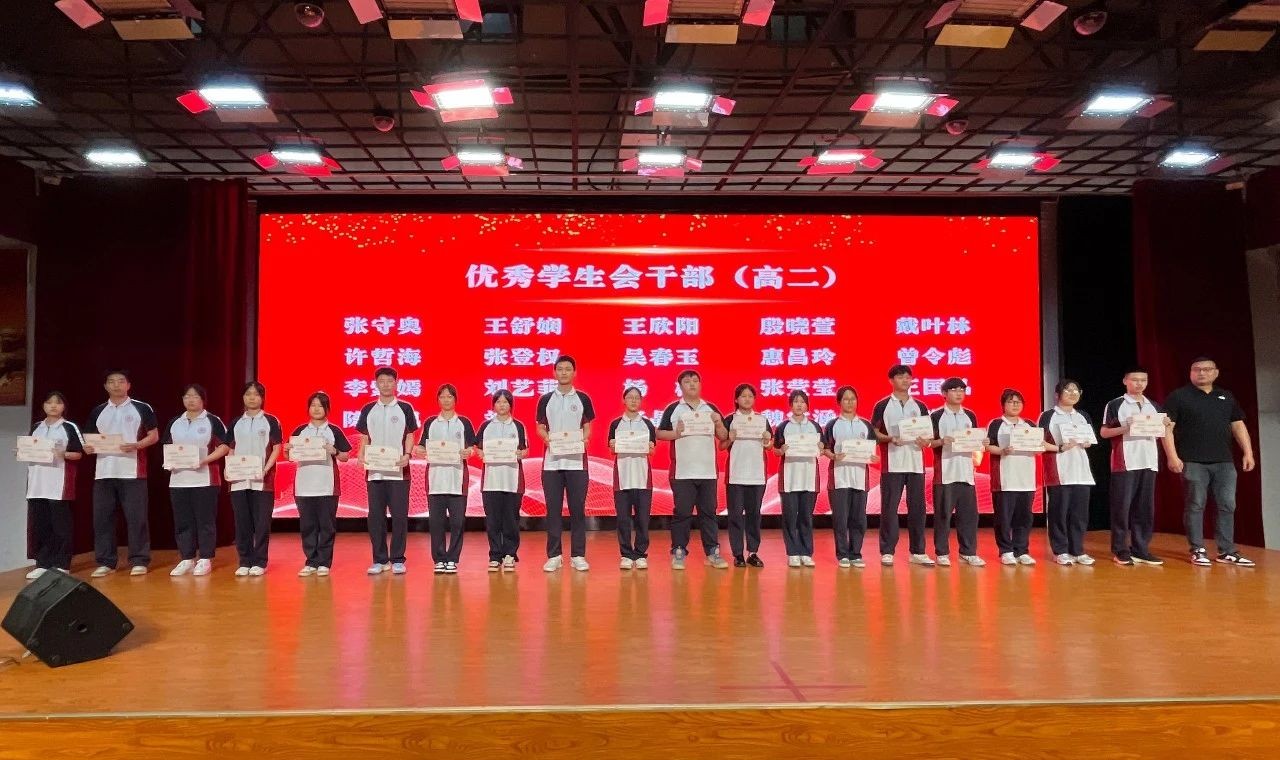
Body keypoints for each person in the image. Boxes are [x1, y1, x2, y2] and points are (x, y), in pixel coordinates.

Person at [1162, 357, 1256, 567]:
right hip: (1193, 461)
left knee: (1227, 505)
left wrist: (1248, 452)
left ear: (1216, 372)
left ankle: (1227, 551)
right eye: (1196, 369)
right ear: (1190, 373)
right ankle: (1197, 549)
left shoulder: (1226, 396)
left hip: (1224, 461)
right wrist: (1172, 456)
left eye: (1206, 369)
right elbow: (1166, 428)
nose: (1201, 373)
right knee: (1196, 505)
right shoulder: (1179, 396)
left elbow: (1238, 425)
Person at [83, 369, 159, 578]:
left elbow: (154, 435)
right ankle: (106, 561)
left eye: (120, 381)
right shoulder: (98, 411)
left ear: (128, 385)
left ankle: (139, 560)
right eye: (111, 382)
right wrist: (88, 447)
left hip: (132, 470)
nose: (116, 385)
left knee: (136, 517)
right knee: (102, 518)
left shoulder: (141, 408)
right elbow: (89, 438)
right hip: (104, 472)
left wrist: (136, 445)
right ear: (105, 386)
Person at [657, 370, 730, 570]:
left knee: (709, 513)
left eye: (695, 381)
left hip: (707, 472)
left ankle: (712, 552)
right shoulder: (673, 409)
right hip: (682, 472)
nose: (692, 384)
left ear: (700, 384)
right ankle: (679, 551)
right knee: (682, 513)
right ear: (680, 386)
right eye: (687, 381)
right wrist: (676, 433)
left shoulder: (710, 408)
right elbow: (659, 434)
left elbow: (724, 436)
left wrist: (718, 422)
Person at [1100, 367, 1171, 566]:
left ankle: (1140, 549)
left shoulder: (1153, 406)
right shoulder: (1116, 404)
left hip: (1148, 461)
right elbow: (1104, 432)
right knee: (1121, 508)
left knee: (1145, 508)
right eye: (1134, 379)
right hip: (1125, 461)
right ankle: (1120, 550)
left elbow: (1163, 432)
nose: (1139, 384)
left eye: (1143, 380)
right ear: (1125, 381)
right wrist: (1126, 428)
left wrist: (1166, 424)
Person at [355, 366, 419, 576]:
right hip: (375, 472)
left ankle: (398, 559)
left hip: (399, 471)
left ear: (396, 383)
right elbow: (364, 437)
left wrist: (407, 455)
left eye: (389, 381)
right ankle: (380, 559)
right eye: (381, 381)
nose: (385, 385)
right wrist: (361, 455)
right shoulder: (368, 409)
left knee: (399, 516)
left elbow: (410, 435)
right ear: (376, 384)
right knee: (376, 517)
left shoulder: (405, 408)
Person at [161, 384, 230, 577]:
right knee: (182, 521)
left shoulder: (212, 420)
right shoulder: (175, 422)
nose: (190, 400)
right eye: (186, 396)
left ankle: (205, 558)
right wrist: (169, 462)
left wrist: (204, 460)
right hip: (178, 480)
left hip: (205, 479)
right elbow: (167, 446)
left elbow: (225, 446)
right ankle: (186, 558)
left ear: (202, 399)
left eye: (195, 396)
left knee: (205, 520)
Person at [535, 355, 596, 572]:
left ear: (574, 373)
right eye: (560, 369)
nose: (563, 372)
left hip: (576, 462)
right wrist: (546, 438)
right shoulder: (545, 399)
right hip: (552, 463)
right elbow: (540, 427)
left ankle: (578, 555)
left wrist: (584, 439)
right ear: (554, 372)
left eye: (568, 369)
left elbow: (587, 426)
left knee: (577, 509)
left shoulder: (582, 398)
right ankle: (554, 555)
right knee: (553, 510)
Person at [870, 365, 933, 567]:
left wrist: (926, 441)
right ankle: (887, 551)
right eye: (900, 377)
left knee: (918, 509)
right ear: (891, 380)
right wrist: (890, 438)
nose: (905, 380)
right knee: (889, 508)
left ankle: (918, 551)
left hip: (915, 464)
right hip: (892, 464)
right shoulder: (883, 405)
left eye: (908, 377)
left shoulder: (920, 406)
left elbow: (928, 434)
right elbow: (874, 432)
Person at [286, 391, 351, 577]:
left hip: (326, 485)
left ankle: (324, 562)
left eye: (320, 405)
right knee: (308, 526)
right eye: (313, 405)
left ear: (327, 409)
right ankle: (311, 562)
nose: (316, 409)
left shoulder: (334, 431)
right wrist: (287, 450)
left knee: (326, 526)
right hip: (304, 485)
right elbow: (290, 457)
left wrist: (334, 450)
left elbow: (345, 456)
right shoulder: (300, 431)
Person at [986, 388, 1053, 566]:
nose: (1015, 405)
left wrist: (1039, 447)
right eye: (1010, 402)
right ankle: (1006, 551)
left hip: (1026, 480)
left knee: (1024, 518)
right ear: (1003, 405)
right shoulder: (996, 424)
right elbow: (988, 446)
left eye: (1018, 402)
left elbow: (1040, 448)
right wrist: (1002, 450)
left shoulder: (1029, 425)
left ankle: (1021, 550)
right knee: (1003, 518)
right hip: (1005, 480)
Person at [416, 384, 477, 575]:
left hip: (457, 480)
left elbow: (473, 447)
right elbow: (421, 446)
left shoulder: (464, 422)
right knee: (437, 523)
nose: (446, 400)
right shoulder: (431, 422)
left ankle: (453, 559)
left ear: (455, 399)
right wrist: (420, 451)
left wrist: (469, 452)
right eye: (442, 397)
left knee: (458, 522)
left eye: (449, 396)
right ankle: (439, 558)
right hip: (435, 480)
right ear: (438, 400)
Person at [23, 391, 83, 580]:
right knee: (40, 525)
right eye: (49, 402)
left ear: (64, 406)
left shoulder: (69, 427)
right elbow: (29, 449)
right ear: (43, 406)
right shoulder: (36, 427)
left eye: (58, 403)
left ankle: (62, 564)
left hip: (59, 484)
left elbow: (79, 453)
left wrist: (62, 453)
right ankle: (43, 563)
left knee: (61, 526)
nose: (53, 406)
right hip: (36, 484)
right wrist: (22, 451)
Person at [1038, 379, 1097, 566]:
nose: (1072, 393)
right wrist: (1059, 447)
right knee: (1059, 513)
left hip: (1081, 471)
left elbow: (1090, 439)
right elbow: (1039, 441)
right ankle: (1060, 551)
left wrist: (1087, 442)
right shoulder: (1048, 416)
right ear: (1057, 394)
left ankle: (1077, 550)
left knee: (1079, 514)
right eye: (1068, 390)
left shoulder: (1083, 416)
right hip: (1059, 470)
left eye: (1076, 390)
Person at [226, 381, 282, 576]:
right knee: (242, 522)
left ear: (262, 398)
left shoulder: (270, 421)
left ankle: (260, 562)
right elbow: (231, 448)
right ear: (243, 397)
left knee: (262, 523)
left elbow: (276, 448)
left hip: (262, 481)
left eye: (256, 394)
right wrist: (228, 468)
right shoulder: (236, 422)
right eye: (248, 394)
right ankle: (244, 561)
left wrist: (266, 469)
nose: (252, 397)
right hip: (239, 480)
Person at [928, 378, 985, 568]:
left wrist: (982, 443)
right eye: (954, 389)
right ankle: (942, 553)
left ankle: (968, 552)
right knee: (943, 515)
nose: (959, 393)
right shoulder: (936, 416)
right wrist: (941, 441)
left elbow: (975, 442)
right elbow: (928, 442)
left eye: (962, 389)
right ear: (944, 393)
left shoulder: (970, 415)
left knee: (969, 516)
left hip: (967, 473)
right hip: (945, 473)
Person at [821, 386, 878, 568]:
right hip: (839, 477)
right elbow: (825, 449)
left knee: (859, 518)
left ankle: (856, 554)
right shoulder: (832, 425)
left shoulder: (865, 425)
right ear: (839, 402)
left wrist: (873, 458)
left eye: (853, 399)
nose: (850, 402)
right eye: (846, 399)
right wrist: (834, 456)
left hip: (859, 478)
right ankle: (842, 554)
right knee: (840, 518)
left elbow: (871, 450)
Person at [476, 389, 528, 572]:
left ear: (510, 405)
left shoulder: (518, 426)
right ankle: (495, 555)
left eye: (505, 402)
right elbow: (477, 447)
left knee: (511, 519)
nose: (502, 405)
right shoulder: (486, 426)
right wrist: (480, 453)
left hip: (512, 480)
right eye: (498, 402)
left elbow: (525, 449)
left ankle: (510, 554)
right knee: (493, 520)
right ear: (493, 405)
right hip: (491, 481)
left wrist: (521, 453)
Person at [722, 384, 773, 568]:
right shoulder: (730, 419)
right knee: (735, 515)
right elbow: (721, 446)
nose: (747, 399)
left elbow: (769, 446)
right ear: (736, 399)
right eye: (743, 396)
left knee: (754, 515)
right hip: (736, 474)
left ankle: (753, 552)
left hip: (757, 474)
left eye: (750, 396)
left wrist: (767, 440)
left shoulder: (762, 420)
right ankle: (738, 554)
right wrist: (730, 438)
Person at [773, 390, 824, 568]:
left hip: (809, 478)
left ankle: (806, 552)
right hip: (789, 478)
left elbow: (821, 450)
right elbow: (776, 450)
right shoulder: (783, 427)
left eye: (802, 402)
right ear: (790, 405)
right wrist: (781, 450)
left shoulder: (815, 427)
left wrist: (821, 448)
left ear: (807, 405)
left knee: (806, 517)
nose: (799, 405)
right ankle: (793, 552)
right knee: (789, 517)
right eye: (795, 401)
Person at [607, 386, 657, 570]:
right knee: (623, 519)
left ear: (641, 401)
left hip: (642, 478)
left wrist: (650, 448)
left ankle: (641, 554)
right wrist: (613, 445)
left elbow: (652, 450)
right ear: (624, 400)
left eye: (637, 397)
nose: (634, 400)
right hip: (623, 478)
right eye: (630, 397)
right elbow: (612, 449)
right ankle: (626, 554)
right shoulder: (615, 424)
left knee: (643, 519)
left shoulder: (647, 424)